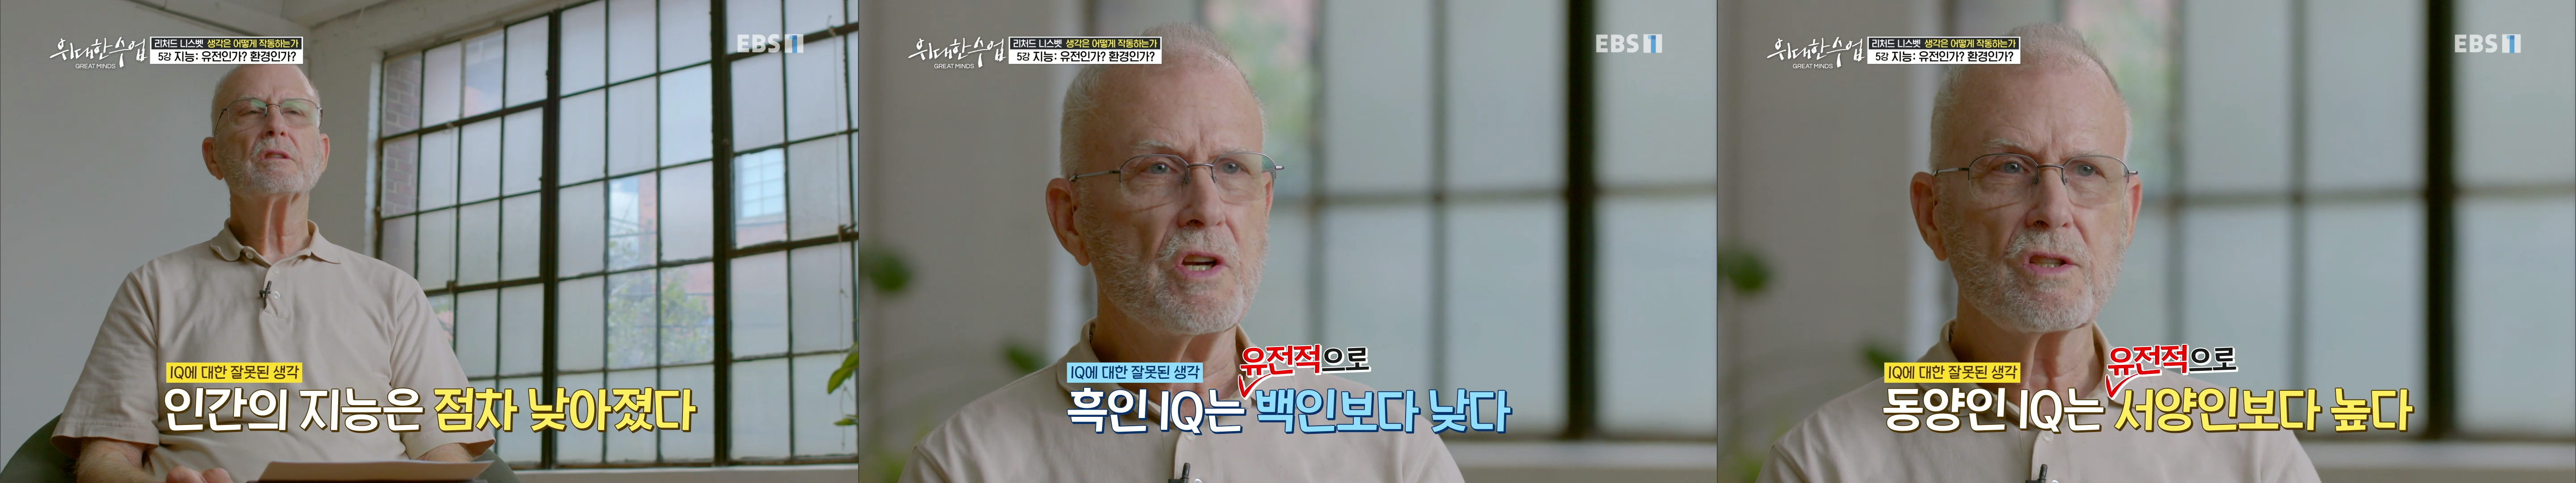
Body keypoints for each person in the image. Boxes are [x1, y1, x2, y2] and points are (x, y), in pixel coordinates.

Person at [901, 24, 1466, 482]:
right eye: (1157, 168)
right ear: (1072, 219)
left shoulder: (1393, 452)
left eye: (1232, 168)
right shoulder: (967, 465)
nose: (1207, 208)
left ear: (1265, 204)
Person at [1758, 24, 2322, 482]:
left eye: (2086, 171)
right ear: (1933, 214)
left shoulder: (2250, 456)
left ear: (2128, 213)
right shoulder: (1826, 465)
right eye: (2009, 167)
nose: (2053, 209)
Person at [51, 64, 491, 483]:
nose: (276, 125)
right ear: (213, 157)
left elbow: (443, 448)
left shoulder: (394, 293)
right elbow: (106, 458)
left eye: (296, 112)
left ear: (322, 153)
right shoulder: (153, 289)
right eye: (250, 111)